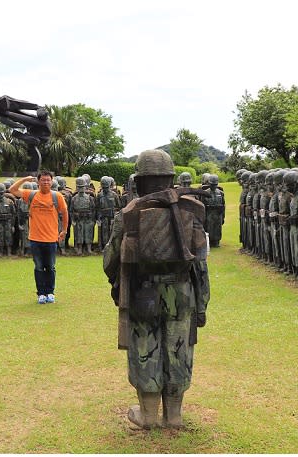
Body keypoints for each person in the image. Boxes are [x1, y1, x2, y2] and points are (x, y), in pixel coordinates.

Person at [103, 149, 210, 429]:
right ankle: (174, 416)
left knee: (144, 349)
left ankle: (147, 415)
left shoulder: (128, 215)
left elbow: (110, 261)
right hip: (182, 295)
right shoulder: (191, 210)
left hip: (143, 294)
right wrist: (202, 304)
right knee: (179, 350)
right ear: (171, 178)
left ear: (139, 181)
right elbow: (200, 265)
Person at [10, 171, 69, 304]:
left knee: (50, 267)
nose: (46, 182)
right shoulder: (31, 195)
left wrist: (64, 230)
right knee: (38, 267)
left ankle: (50, 292)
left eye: (48, 180)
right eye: (43, 180)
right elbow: (12, 190)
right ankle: (41, 293)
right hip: (35, 239)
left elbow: (64, 213)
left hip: (51, 239)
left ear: (52, 181)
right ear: (38, 182)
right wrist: (25, 178)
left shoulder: (57, 196)